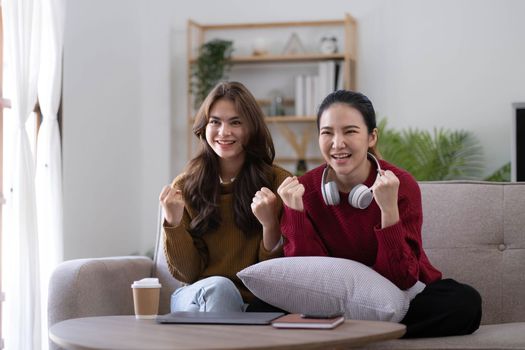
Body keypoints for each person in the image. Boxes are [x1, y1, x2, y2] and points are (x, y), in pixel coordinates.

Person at [277, 90, 482, 338]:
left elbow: (402, 278)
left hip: (401, 294)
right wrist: (295, 214)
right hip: (335, 301)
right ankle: (369, 331)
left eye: (350, 131)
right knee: (260, 309)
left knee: (465, 302)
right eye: (327, 132)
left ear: (371, 136)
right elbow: (307, 280)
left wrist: (388, 210)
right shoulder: (304, 189)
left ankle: (351, 332)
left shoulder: (401, 185)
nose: (337, 143)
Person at [159, 81, 290, 313]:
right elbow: (187, 273)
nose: (224, 132)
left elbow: (275, 275)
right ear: (204, 127)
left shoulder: (278, 183)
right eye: (215, 122)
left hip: (256, 303)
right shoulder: (185, 186)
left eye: (235, 122)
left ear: (252, 128)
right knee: (220, 289)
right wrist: (173, 223)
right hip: (198, 296)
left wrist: (270, 224)